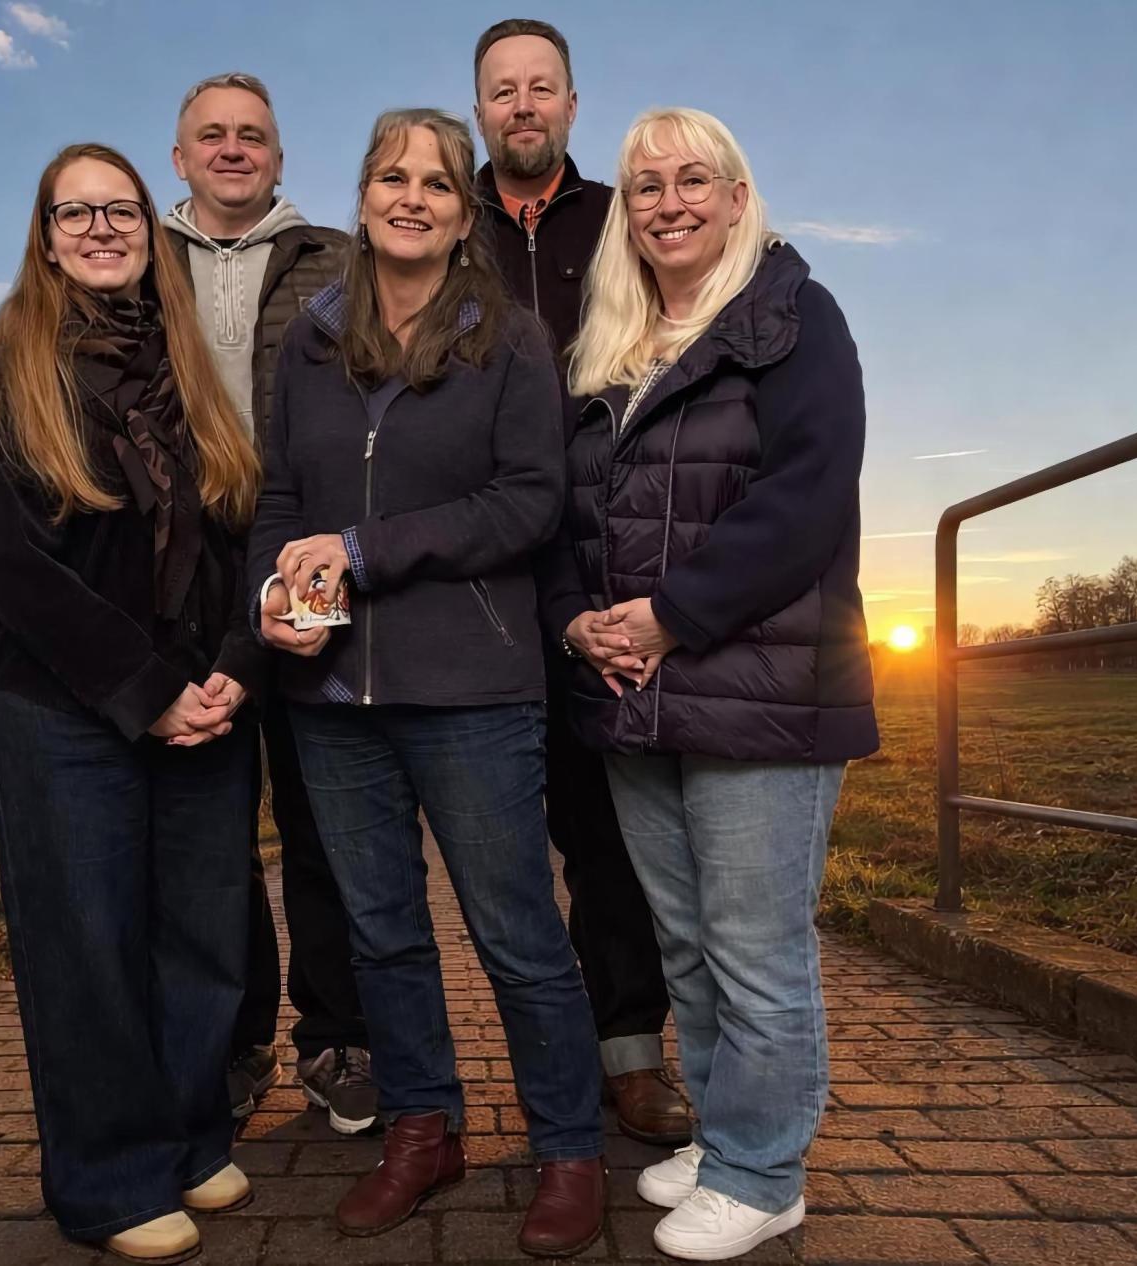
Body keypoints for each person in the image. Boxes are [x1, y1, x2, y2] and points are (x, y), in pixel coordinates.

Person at [251, 108, 606, 1258]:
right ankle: (423, 1130)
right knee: (381, 932)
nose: (413, 197)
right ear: (360, 197)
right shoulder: (308, 341)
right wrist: (288, 607)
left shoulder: (507, 341)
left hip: (472, 685)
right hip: (334, 700)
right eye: (392, 177)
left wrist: (362, 558)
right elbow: (283, 506)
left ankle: (567, 1149)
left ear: (465, 217)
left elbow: (525, 504)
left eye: (439, 184)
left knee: (515, 932)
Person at [545, 108, 879, 1260]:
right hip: (639, 692)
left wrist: (673, 617)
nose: (670, 202)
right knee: (683, 941)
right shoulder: (615, 347)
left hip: (761, 690)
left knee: (756, 947)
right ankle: (729, 1132)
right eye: (646, 188)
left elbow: (806, 497)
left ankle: (763, 1170)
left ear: (738, 197)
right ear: (624, 216)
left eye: (695, 180)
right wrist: (583, 623)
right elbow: (575, 520)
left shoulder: (793, 319)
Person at [0, 142, 264, 1263]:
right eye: (74, 213)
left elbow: (234, 538)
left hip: (203, 699)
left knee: (201, 935)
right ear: (44, 237)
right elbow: (18, 573)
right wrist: (148, 691)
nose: (100, 228)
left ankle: (188, 1137)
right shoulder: (8, 378)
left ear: (150, 225)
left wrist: (235, 661)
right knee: (86, 943)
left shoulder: (186, 378)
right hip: (61, 709)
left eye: (120, 211)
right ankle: (109, 1178)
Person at [470, 18, 690, 1145]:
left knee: (609, 834)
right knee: (500, 845)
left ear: (569, 102)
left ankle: (631, 1057)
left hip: (604, 560)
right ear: (479, 107)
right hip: (477, 577)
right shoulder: (437, 221)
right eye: (501, 89)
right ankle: (542, 1064)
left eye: (540, 87)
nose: (521, 105)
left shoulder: (621, 220)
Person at [162, 70, 376, 1134]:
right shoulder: (133, 262)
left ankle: (339, 1040)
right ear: (181, 156)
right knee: (208, 824)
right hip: (181, 572)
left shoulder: (341, 260)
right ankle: (232, 1044)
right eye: (214, 135)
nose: (234, 150)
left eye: (254, 136)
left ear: (281, 157)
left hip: (306, 561)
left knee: (322, 813)